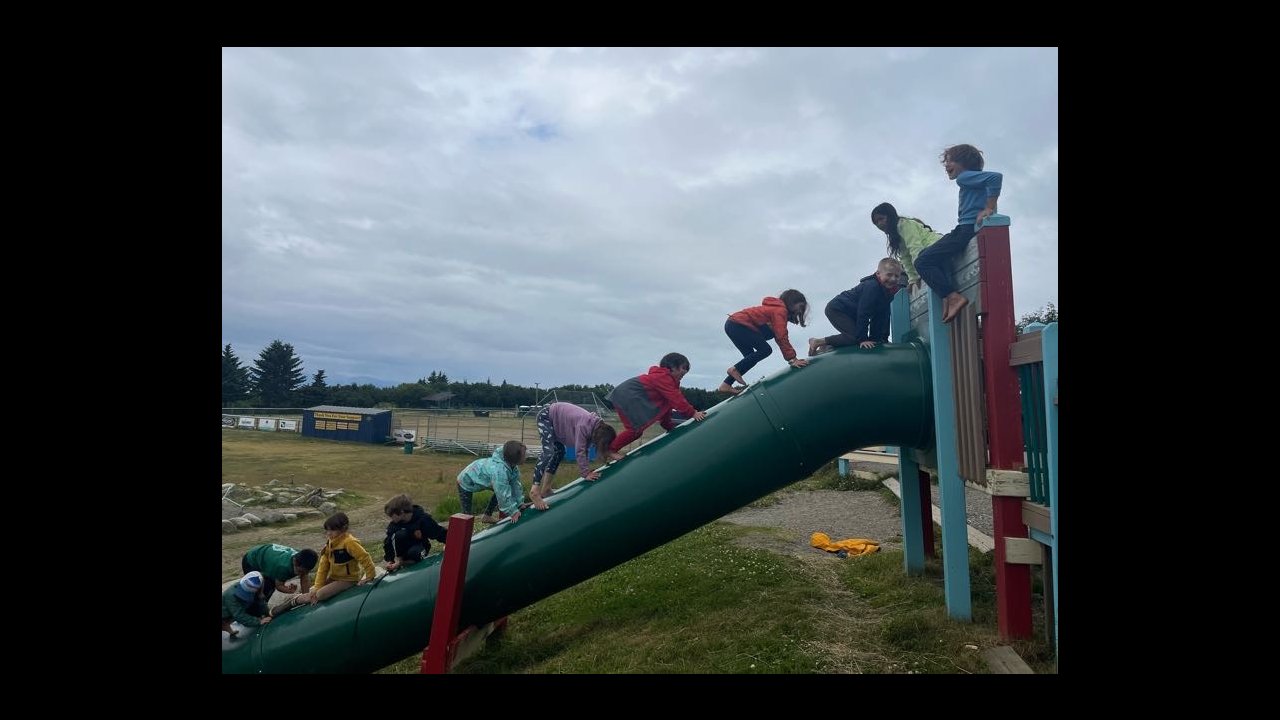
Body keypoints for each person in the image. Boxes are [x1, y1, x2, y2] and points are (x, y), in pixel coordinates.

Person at [915, 143, 1003, 323]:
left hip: (966, 229)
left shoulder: (964, 178)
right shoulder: (970, 179)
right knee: (928, 255)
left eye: (951, 160)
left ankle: (952, 296)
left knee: (922, 262)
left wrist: (989, 208)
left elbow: (996, 177)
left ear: (965, 162)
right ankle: (948, 297)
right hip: (963, 228)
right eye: (945, 161)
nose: (946, 165)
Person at [606, 352, 707, 452]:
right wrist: (693, 413)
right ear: (672, 367)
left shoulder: (668, 382)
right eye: (683, 367)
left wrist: (668, 425)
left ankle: (610, 449)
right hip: (627, 395)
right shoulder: (663, 377)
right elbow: (677, 399)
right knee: (634, 430)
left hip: (627, 395)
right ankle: (610, 450)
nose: (685, 371)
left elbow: (667, 405)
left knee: (636, 431)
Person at [718, 289, 810, 395]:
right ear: (792, 303)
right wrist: (792, 359)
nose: (800, 311)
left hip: (732, 325)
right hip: (738, 325)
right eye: (800, 307)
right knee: (765, 350)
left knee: (751, 358)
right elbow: (781, 336)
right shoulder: (780, 311)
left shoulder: (774, 310)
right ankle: (734, 370)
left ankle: (726, 384)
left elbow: (776, 334)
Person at [530, 402, 623, 502]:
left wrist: (611, 453)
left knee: (559, 452)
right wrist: (585, 473)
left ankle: (546, 490)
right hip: (546, 416)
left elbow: (589, 449)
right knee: (549, 451)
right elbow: (580, 451)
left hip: (557, 421)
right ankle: (534, 489)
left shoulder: (597, 428)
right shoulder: (584, 426)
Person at [808, 258, 903, 356]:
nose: (893, 279)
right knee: (854, 337)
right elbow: (864, 312)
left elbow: (883, 316)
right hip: (837, 309)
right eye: (889, 274)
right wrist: (863, 339)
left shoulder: (889, 292)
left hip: (853, 313)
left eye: (897, 276)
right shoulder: (872, 287)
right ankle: (818, 342)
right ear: (878, 273)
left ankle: (828, 346)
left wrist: (881, 339)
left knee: (857, 336)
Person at [299, 512, 377, 608]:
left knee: (320, 595)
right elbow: (323, 567)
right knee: (313, 590)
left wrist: (370, 576)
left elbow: (364, 557)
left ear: (343, 529)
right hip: (334, 577)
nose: (328, 533)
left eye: (332, 530)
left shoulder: (349, 542)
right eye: (327, 530)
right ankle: (296, 601)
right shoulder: (330, 544)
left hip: (348, 579)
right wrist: (317, 586)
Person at [458, 440, 544, 525]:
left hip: (481, 476)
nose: (527, 456)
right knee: (467, 515)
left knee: (503, 488)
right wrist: (513, 512)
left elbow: (515, 485)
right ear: (515, 458)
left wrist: (520, 503)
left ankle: (486, 516)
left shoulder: (512, 467)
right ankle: (464, 533)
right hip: (466, 479)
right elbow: (502, 495)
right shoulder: (500, 472)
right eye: (524, 455)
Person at [869, 201, 942, 294]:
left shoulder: (904, 224)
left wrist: (920, 273)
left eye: (881, 219)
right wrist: (912, 280)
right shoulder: (896, 236)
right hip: (925, 258)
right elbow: (905, 258)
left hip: (934, 246)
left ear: (890, 215)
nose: (879, 224)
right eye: (876, 222)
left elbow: (915, 248)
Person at [382, 494, 450, 571]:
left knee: (414, 553)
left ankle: (402, 563)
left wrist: (450, 543)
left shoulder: (423, 519)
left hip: (420, 547)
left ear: (401, 512)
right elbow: (388, 542)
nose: (390, 518)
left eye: (391, 515)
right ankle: (399, 561)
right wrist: (389, 560)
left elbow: (438, 532)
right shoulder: (395, 524)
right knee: (399, 534)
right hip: (403, 551)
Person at [239, 543, 319, 605]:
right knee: (261, 589)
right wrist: (289, 591)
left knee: (267, 586)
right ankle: (254, 613)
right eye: (300, 571)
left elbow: (304, 578)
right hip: (252, 560)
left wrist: (306, 597)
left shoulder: (302, 560)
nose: (301, 574)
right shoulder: (282, 567)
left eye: (306, 572)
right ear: (294, 561)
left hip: (268, 558)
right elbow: (278, 585)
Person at [222, 570, 271, 637]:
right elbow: (239, 615)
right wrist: (258, 621)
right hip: (224, 612)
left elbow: (260, 602)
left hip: (229, 612)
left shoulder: (254, 583)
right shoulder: (230, 595)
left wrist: (267, 613)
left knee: (226, 622)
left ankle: (229, 630)